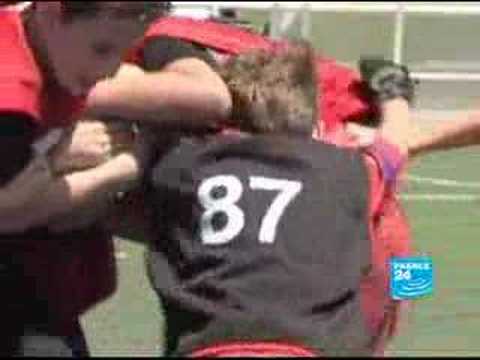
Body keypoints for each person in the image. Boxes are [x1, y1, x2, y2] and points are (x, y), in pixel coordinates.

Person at [140, 43, 416, 357]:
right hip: (318, 337)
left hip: (210, 344)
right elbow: (396, 144)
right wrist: (396, 93)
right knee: (398, 282)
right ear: (317, 127)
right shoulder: (348, 172)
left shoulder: (184, 167)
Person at [0, 1, 169, 356]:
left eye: (123, 54)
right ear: (49, 12)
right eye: (102, 49)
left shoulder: (52, 51)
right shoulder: (10, 92)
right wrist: (125, 167)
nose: (109, 70)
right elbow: (9, 209)